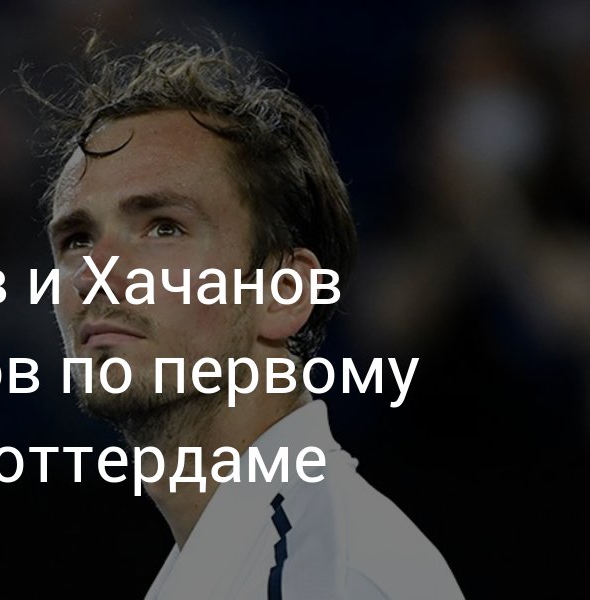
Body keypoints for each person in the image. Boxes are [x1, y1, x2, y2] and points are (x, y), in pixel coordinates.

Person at [28, 36, 465, 599]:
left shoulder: (328, 577)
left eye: (164, 227)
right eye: (77, 239)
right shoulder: (234, 562)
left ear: (283, 292)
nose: (95, 273)